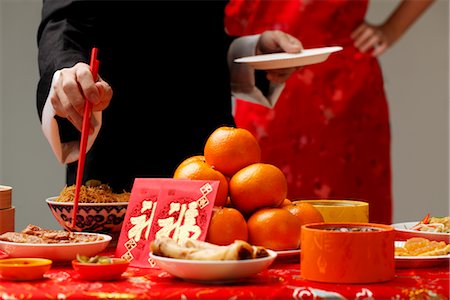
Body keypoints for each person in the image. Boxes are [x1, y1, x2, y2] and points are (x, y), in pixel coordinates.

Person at [36, 1, 303, 193]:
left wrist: (251, 53)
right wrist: (66, 70)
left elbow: (190, 35)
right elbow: (65, 21)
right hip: (119, 156)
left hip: (210, 157)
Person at [224, 0, 434, 224]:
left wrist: (391, 29)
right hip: (259, 88)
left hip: (340, 96)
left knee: (350, 233)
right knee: (263, 223)